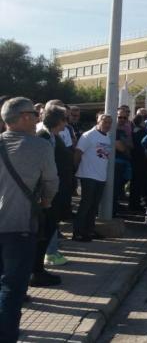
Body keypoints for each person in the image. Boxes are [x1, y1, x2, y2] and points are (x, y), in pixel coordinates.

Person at [0, 97, 58, 343]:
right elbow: (52, 182)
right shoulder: (40, 147)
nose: (37, 119)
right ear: (23, 117)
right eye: (34, 115)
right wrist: (45, 201)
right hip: (20, 225)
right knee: (12, 288)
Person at [36, 106, 73, 271]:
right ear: (58, 121)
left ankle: (50, 253)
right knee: (46, 224)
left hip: (55, 187)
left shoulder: (52, 136)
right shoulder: (43, 136)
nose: (67, 122)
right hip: (47, 190)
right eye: (65, 119)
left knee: (51, 223)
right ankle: (47, 257)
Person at [73, 113, 112, 242]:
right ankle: (77, 232)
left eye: (109, 123)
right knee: (86, 204)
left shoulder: (107, 137)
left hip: (100, 176)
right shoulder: (88, 135)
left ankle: (89, 230)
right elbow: (78, 152)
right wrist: (74, 169)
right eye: (105, 122)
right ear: (98, 121)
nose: (107, 125)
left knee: (94, 206)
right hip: (88, 175)